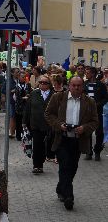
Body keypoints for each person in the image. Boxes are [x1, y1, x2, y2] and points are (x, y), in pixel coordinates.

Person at [45, 76, 98, 211]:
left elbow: (94, 122)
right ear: (69, 85)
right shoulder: (58, 98)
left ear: (82, 87)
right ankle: (69, 197)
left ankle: (60, 187)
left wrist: (84, 128)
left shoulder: (90, 102)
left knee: (72, 167)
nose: (76, 88)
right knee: (65, 165)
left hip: (78, 141)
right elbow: (48, 114)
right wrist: (59, 125)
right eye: (73, 85)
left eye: (79, 86)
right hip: (62, 138)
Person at [24, 74, 53, 174]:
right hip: (35, 124)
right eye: (41, 82)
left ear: (49, 84)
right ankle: (37, 165)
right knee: (36, 145)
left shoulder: (53, 95)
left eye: (45, 83)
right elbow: (28, 108)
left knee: (45, 145)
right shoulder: (34, 93)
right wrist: (24, 122)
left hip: (49, 125)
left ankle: (43, 159)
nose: (42, 84)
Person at [82, 66, 107, 160]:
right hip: (87, 112)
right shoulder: (84, 84)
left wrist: (98, 104)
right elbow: (82, 95)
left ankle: (97, 151)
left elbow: (105, 97)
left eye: (87, 73)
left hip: (98, 112)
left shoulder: (101, 85)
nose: (86, 74)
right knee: (87, 132)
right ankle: (89, 152)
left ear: (93, 74)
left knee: (100, 133)